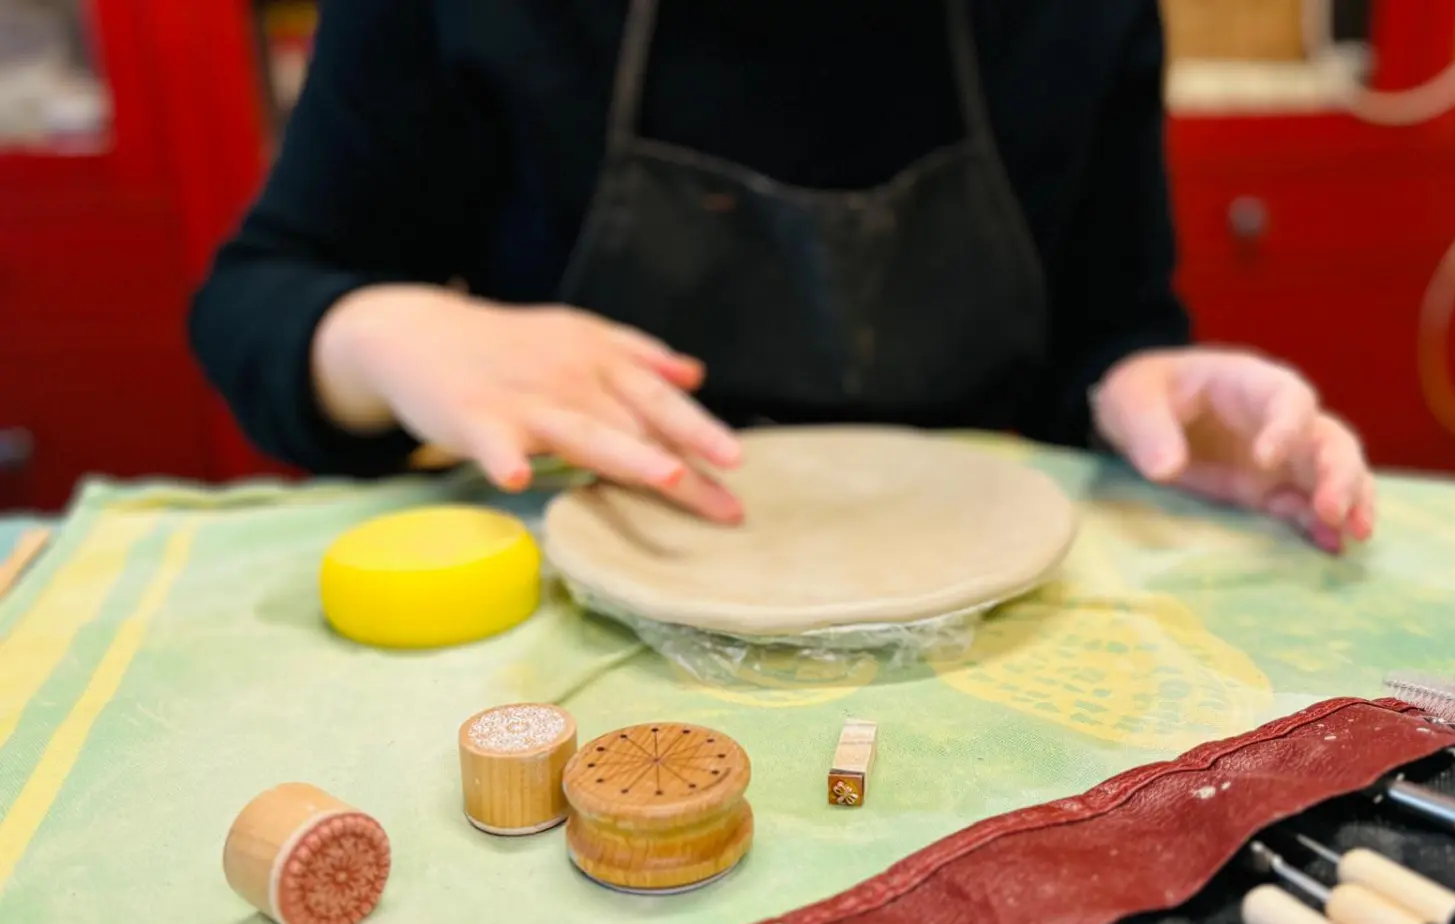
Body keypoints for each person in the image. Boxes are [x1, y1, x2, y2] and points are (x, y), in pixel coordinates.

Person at [189, 0, 1374, 552]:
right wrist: (382, 332)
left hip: (973, 603)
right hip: (591, 603)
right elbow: (257, 293)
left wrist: (1143, 390)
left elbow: (1105, 330)